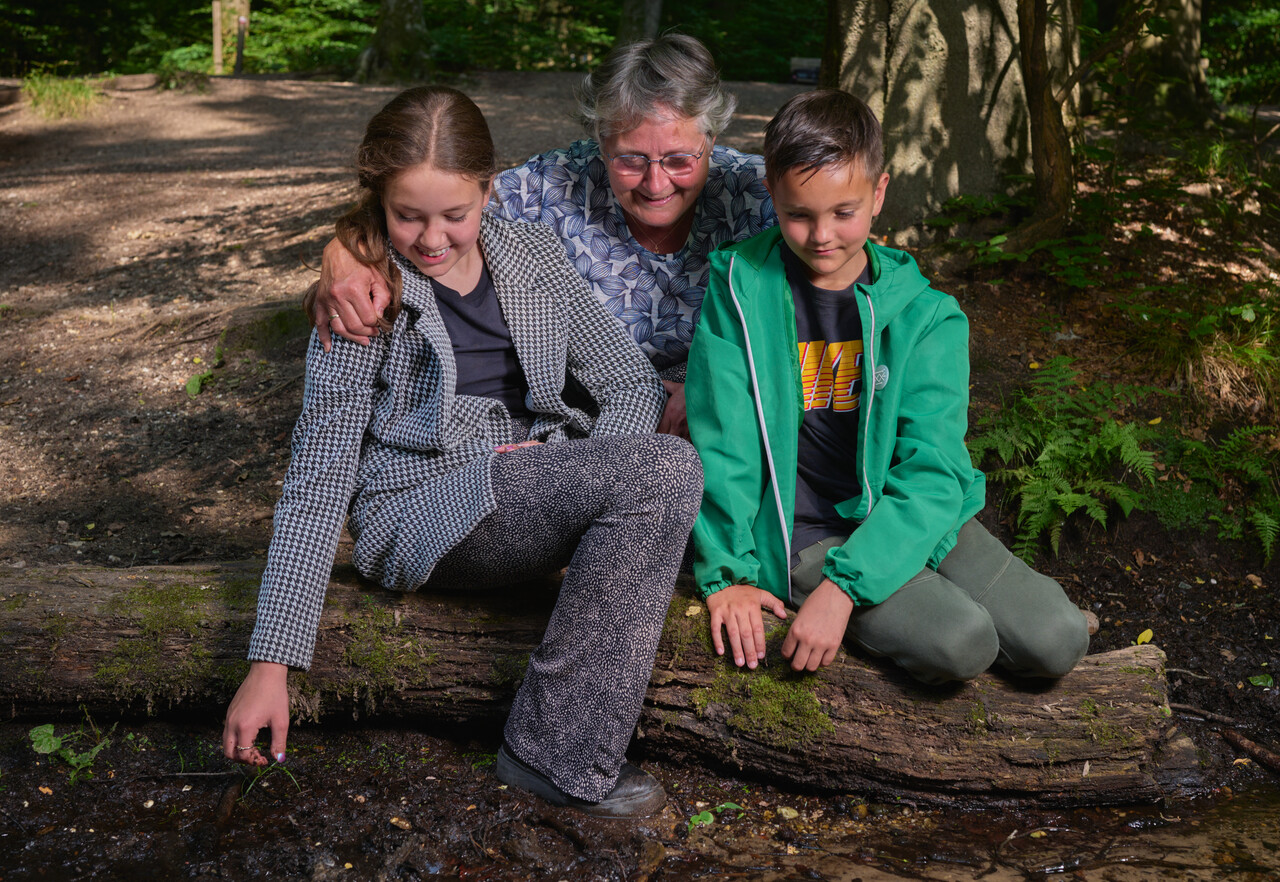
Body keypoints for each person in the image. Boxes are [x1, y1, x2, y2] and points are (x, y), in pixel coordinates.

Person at [221, 86, 703, 819]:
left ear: (488, 188)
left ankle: (558, 732)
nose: (433, 237)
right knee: (665, 471)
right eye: (407, 215)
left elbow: (626, 378)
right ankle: (557, 756)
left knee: (663, 468)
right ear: (377, 199)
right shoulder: (363, 299)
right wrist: (270, 664)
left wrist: (576, 480)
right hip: (425, 509)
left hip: (537, 476)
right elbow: (318, 482)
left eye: (455, 213)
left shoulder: (530, 253)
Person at [686, 89, 1089, 685]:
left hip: (903, 512)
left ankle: (905, 583)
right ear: (771, 194)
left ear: (879, 193)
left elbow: (933, 470)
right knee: (962, 643)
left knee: (1057, 638)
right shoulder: (740, 291)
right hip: (801, 529)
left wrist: (846, 589)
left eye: (843, 211)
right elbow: (723, 444)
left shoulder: (928, 316)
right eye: (798, 213)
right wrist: (731, 573)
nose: (821, 235)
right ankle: (893, 597)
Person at [313, 33, 776, 438]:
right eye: (630, 159)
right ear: (601, 139)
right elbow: (442, 203)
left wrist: (709, 383)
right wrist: (349, 247)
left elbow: (832, 279)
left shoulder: (757, 193)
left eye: (679, 160)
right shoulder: (552, 184)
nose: (656, 184)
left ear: (711, 140)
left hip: (726, 401)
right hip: (586, 417)